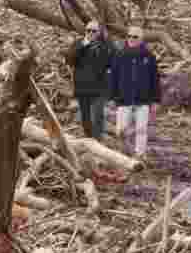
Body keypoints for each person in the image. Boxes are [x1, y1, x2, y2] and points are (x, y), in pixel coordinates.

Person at [109, 25, 160, 159]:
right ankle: (122, 155)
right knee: (121, 130)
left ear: (141, 39)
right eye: (129, 36)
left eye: (135, 37)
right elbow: (113, 78)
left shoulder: (149, 57)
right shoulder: (119, 55)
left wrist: (156, 100)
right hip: (123, 99)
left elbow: (155, 80)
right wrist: (112, 98)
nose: (131, 39)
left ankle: (140, 155)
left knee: (141, 130)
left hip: (143, 99)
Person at [65, 20, 114, 140]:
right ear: (85, 31)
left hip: (100, 86)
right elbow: (70, 60)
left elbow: (111, 62)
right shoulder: (78, 43)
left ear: (99, 32)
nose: (91, 33)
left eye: (94, 31)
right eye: (88, 30)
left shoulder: (105, 45)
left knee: (98, 114)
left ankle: (97, 140)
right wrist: (84, 44)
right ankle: (88, 138)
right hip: (83, 86)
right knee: (85, 116)